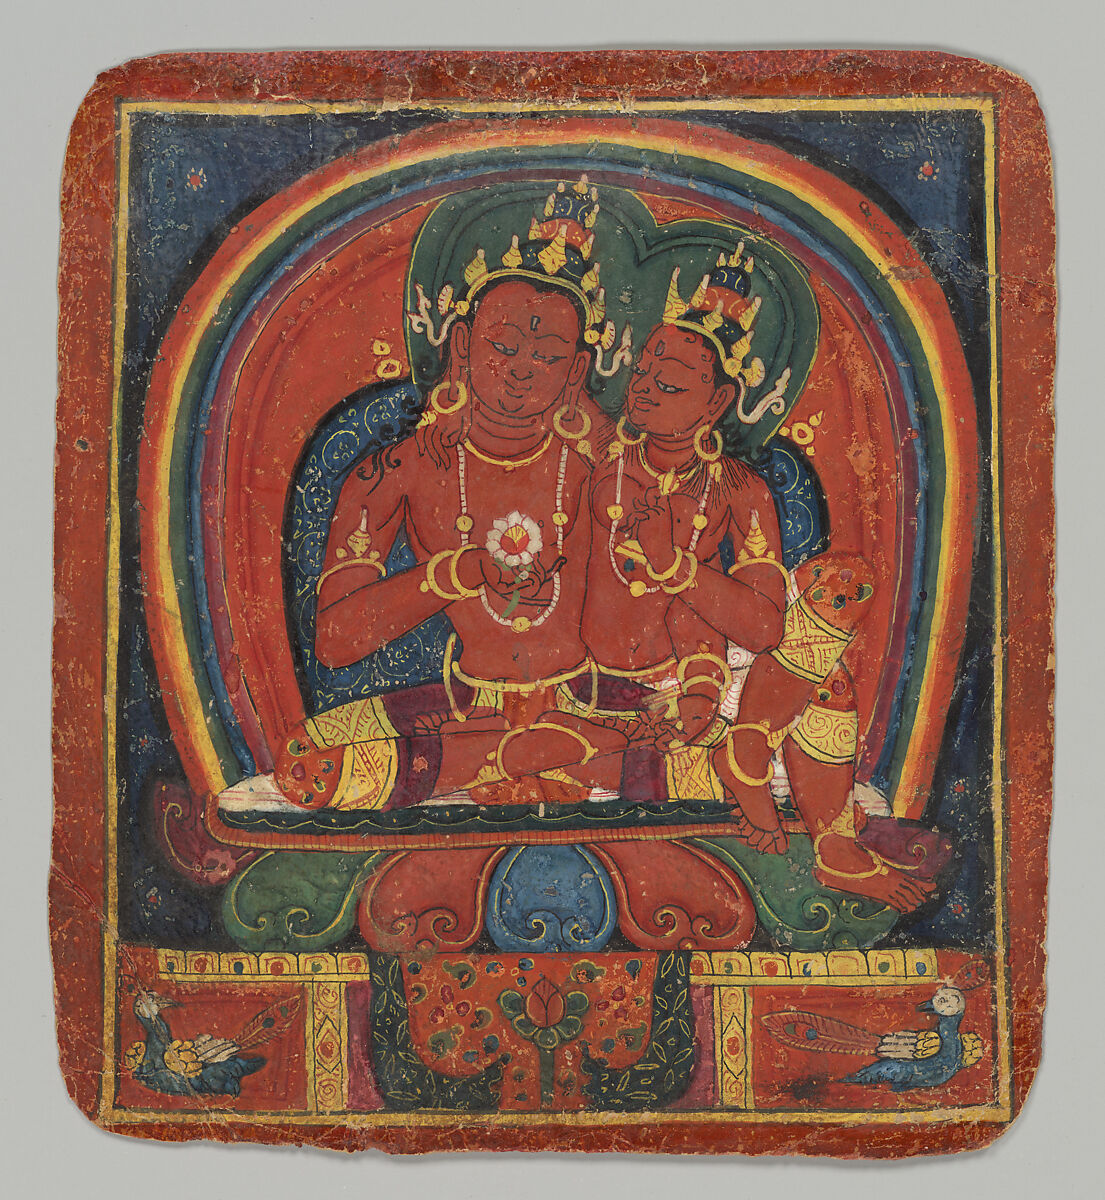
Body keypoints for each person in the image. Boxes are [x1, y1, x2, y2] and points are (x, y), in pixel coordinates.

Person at [273, 179, 634, 811]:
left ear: (577, 370)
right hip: (465, 708)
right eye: (502, 345)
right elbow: (335, 640)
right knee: (311, 757)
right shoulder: (399, 470)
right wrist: (454, 575)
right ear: (462, 345)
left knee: (728, 742)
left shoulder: (600, 471)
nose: (520, 369)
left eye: (548, 356)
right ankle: (532, 756)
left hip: (587, 702)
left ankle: (523, 755)